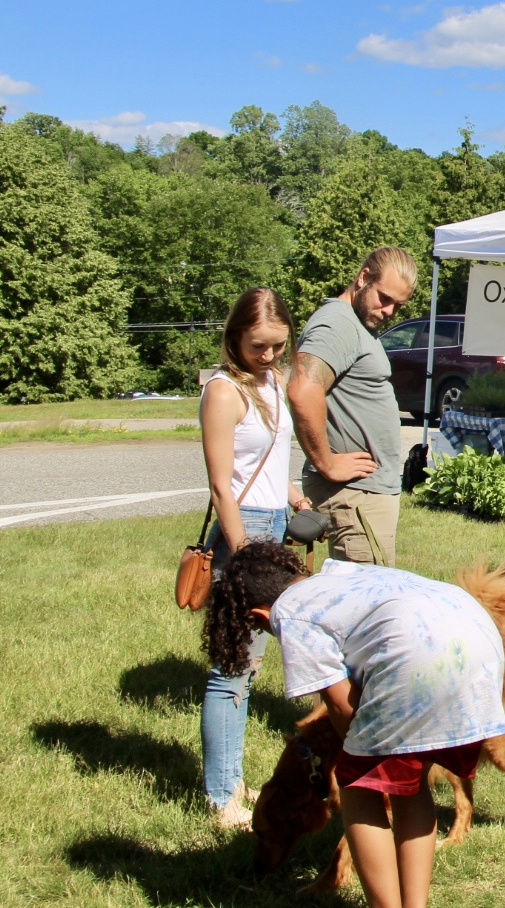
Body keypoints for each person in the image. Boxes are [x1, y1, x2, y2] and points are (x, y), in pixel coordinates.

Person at [205, 542, 505, 908]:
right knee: (410, 786)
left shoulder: (291, 613)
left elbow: (338, 701)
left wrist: (359, 757)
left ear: (258, 615)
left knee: (358, 787)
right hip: (477, 639)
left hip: (417, 657)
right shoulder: (339, 574)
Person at [198, 286, 308, 828]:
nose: (267, 356)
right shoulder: (222, 391)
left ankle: (232, 784)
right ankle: (223, 796)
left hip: (276, 525)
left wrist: (293, 495)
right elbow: (222, 484)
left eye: (277, 346)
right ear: (234, 336)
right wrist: (243, 557)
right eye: (257, 346)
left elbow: (268, 461)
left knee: (253, 665)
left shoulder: (273, 381)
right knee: (231, 669)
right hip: (245, 536)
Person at [290, 247, 416, 566]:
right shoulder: (338, 324)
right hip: (354, 497)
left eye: (398, 306)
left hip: (365, 496)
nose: (389, 311)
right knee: (364, 605)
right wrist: (327, 463)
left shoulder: (356, 325)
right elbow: (303, 390)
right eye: (384, 298)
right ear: (363, 279)